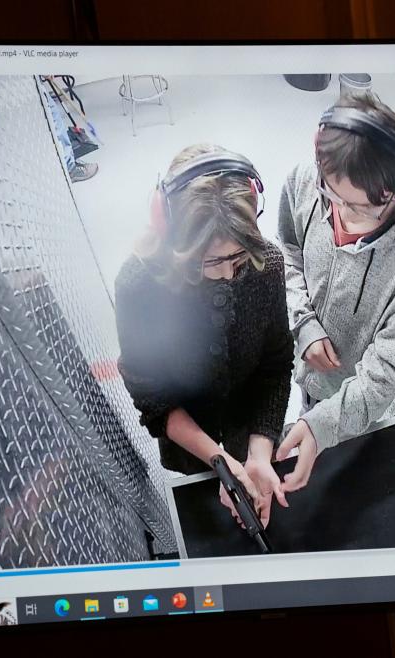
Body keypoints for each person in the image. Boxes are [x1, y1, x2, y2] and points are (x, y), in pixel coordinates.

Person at [115, 144, 293, 527]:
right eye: (212, 260)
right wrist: (217, 459)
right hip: (188, 441)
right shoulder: (139, 286)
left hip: (252, 424)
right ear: (172, 237)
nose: (231, 274)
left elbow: (276, 365)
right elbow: (154, 399)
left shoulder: (266, 264)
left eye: (239, 257)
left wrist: (259, 454)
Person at [275, 93, 395, 492]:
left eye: (362, 208)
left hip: (357, 403)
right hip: (306, 368)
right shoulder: (304, 180)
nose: (343, 215)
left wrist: (324, 426)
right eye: (332, 198)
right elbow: (287, 252)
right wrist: (305, 324)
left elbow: (385, 375)